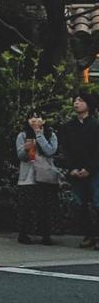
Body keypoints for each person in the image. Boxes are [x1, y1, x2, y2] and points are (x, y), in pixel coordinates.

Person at [16, 113, 62, 245]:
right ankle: (23, 234)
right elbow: (20, 156)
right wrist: (25, 149)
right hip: (27, 177)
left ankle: (46, 235)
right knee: (26, 207)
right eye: (31, 117)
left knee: (45, 207)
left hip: (45, 176)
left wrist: (39, 135)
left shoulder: (51, 134)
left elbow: (50, 151)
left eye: (38, 117)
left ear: (44, 120)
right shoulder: (23, 135)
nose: (34, 120)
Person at [61, 95, 99, 248]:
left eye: (81, 101)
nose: (76, 103)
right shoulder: (68, 127)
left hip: (95, 170)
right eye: (75, 100)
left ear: (89, 105)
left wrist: (89, 168)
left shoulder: (96, 125)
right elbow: (65, 150)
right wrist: (71, 168)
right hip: (75, 171)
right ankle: (88, 234)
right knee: (79, 204)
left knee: (97, 203)